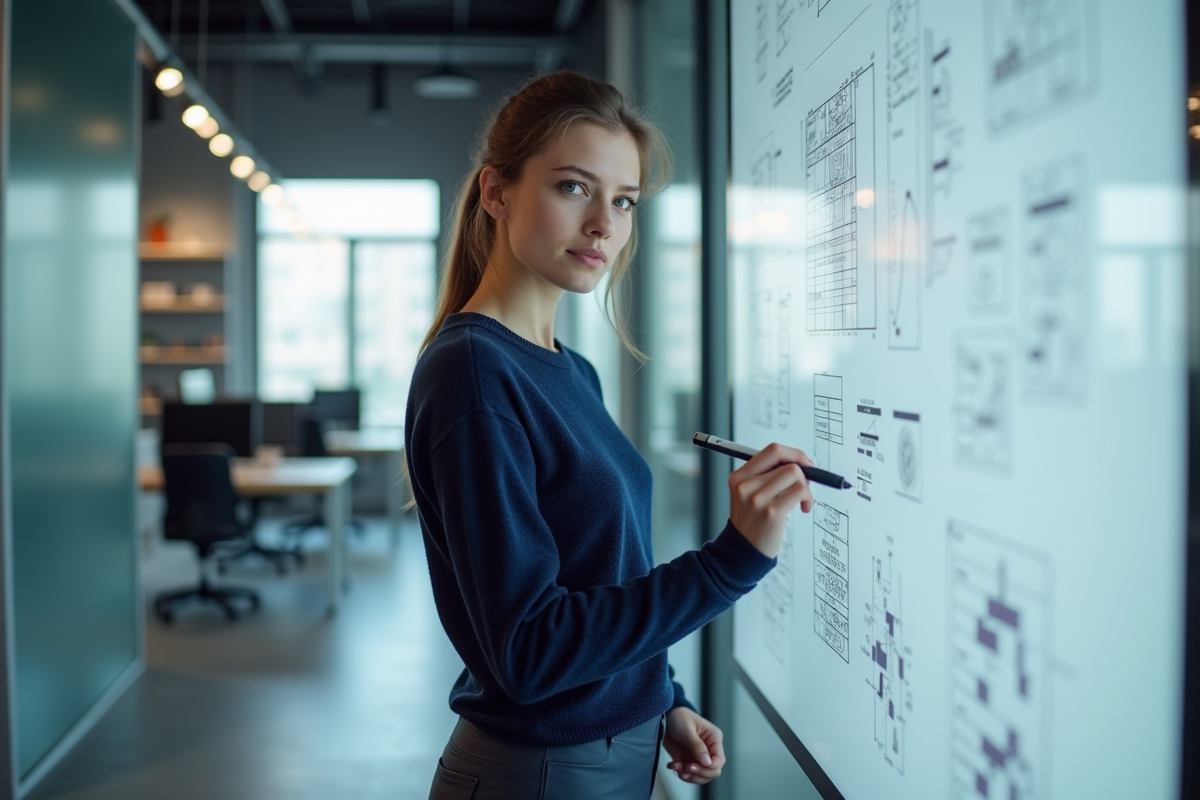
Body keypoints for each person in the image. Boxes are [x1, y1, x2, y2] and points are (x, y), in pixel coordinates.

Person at [406, 70, 814, 800]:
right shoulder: (473, 373)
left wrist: (663, 695)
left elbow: (603, 571)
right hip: (537, 773)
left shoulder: (573, 371)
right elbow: (529, 649)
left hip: (611, 752)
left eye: (623, 200)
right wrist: (732, 561)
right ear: (497, 193)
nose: (604, 223)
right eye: (572, 187)